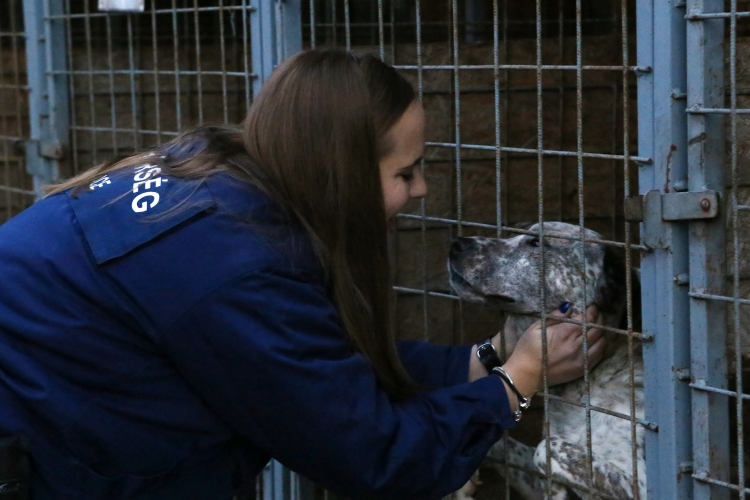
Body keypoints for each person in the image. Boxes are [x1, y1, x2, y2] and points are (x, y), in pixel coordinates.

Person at [0, 49, 605, 499]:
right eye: (406, 172)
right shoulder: (236, 262)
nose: (421, 189)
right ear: (340, 170)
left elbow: (307, 362)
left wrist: (485, 358)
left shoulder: (215, 174)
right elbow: (373, 457)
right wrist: (517, 382)